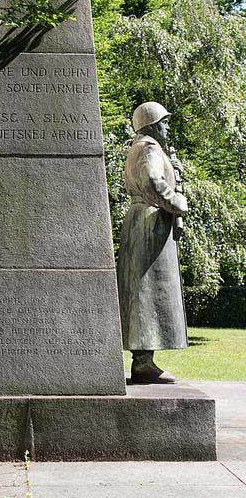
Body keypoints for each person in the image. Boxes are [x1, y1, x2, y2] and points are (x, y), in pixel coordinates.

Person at [117, 101, 188, 384]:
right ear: (152, 124)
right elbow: (152, 181)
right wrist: (177, 202)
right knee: (146, 292)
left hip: (143, 219)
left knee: (142, 291)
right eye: (165, 122)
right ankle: (144, 361)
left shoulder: (139, 147)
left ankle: (144, 359)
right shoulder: (149, 148)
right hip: (151, 220)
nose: (168, 127)